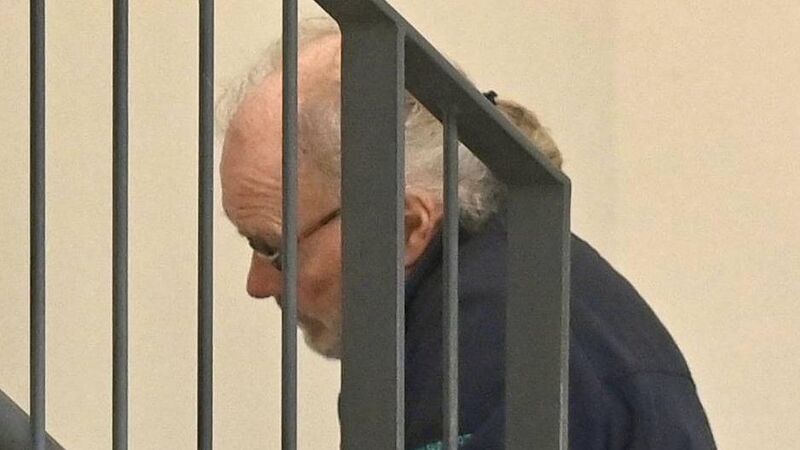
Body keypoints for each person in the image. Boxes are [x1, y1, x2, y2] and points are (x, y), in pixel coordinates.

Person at [219, 17, 716, 450]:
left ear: (406, 226)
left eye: (271, 248)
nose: (257, 284)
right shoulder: (494, 294)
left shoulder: (489, 338)